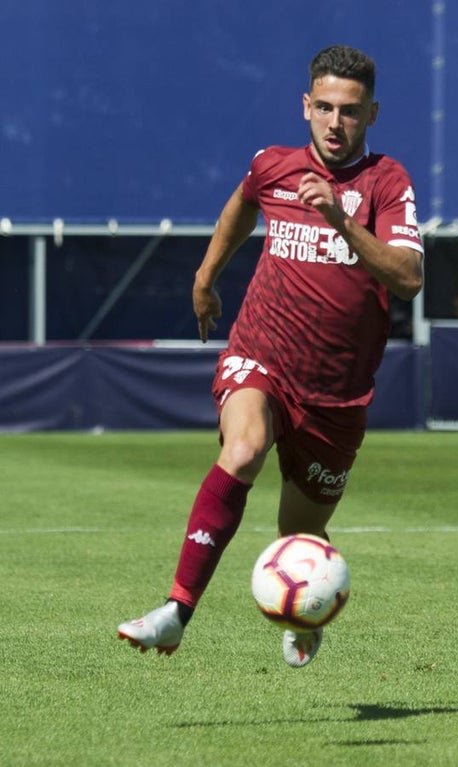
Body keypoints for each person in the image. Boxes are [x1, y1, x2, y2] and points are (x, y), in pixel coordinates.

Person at [117, 45, 424, 667]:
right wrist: (206, 277)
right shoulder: (272, 166)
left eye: (352, 112)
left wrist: (341, 220)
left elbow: (409, 277)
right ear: (306, 107)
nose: (336, 123)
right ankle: (177, 610)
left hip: (335, 393)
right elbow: (241, 204)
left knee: (300, 533)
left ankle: (306, 611)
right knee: (244, 448)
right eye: (326, 109)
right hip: (262, 355)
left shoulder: (387, 183)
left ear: (372, 115)